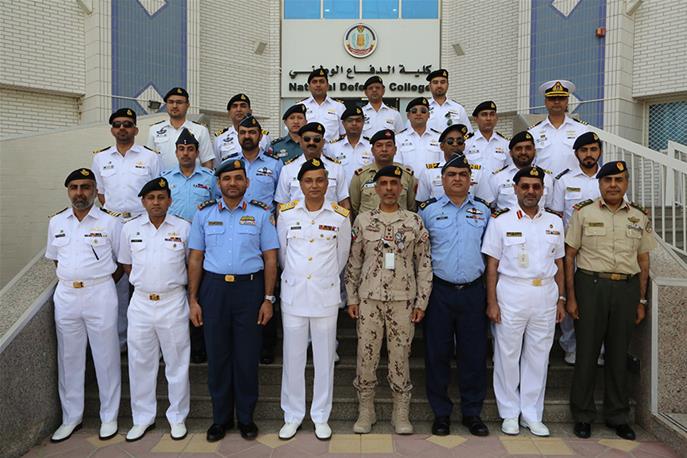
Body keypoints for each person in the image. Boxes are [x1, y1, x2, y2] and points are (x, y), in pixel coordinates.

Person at [187, 159, 279, 442]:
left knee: (247, 356)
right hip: (213, 290)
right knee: (217, 356)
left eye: (238, 178)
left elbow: (270, 258)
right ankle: (220, 419)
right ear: (219, 184)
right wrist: (193, 299)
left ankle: (247, 418)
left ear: (247, 183)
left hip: (249, 291)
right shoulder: (203, 215)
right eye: (227, 179)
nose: (232, 183)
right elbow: (196, 258)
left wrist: (268, 299)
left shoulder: (261, 215)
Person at [564, 161, 656, 441]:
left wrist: (641, 299)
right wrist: (570, 296)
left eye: (618, 180)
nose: (613, 185)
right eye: (607, 180)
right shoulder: (583, 213)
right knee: (588, 353)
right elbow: (569, 256)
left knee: (618, 354)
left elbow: (643, 259)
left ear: (626, 183)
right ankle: (582, 415)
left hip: (626, 289)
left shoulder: (639, 217)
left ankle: (618, 415)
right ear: (600, 184)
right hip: (591, 286)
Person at [345, 165, 433, 435]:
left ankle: (400, 412)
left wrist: (421, 302)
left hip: (403, 300)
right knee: (366, 355)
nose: (389, 189)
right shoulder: (363, 221)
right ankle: (366, 411)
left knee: (400, 356)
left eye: (394, 184)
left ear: (402, 188)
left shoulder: (414, 221)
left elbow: (424, 264)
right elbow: (354, 262)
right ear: (376, 188)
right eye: (383, 184)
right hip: (369, 298)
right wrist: (351, 298)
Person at [481, 166, 566, 438]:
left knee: (538, 356)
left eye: (536, 187)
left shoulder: (554, 222)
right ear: (515, 189)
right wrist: (491, 302)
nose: (531, 191)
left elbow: (560, 263)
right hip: (512, 293)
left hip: (545, 294)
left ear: (543, 190)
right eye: (525, 186)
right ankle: (509, 413)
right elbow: (491, 265)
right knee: (507, 355)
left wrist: (561, 299)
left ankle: (531, 413)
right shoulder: (500, 221)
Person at [276, 159, 352, 441]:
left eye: (320, 180)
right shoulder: (286, 214)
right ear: (299, 184)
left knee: (324, 360)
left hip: (325, 296)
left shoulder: (339, 215)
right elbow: (283, 255)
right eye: (309, 181)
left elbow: (341, 256)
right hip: (294, 295)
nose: (314, 186)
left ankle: (321, 416)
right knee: (292, 359)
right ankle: (293, 415)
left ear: (327, 184)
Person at [46, 168, 122, 443]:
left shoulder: (111, 223)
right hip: (66, 295)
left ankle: (109, 416)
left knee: (106, 356)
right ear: (68, 191)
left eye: (86, 187)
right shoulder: (57, 222)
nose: (80, 193)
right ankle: (71, 417)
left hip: (100, 292)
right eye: (75, 187)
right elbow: (56, 259)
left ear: (95, 191)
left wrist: (97, 283)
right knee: (69, 358)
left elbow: (120, 263)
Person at [419, 154, 491, 437]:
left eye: (463, 174)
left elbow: (491, 253)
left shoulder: (484, 212)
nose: (458, 179)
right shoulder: (428, 212)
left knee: (473, 354)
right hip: (439, 291)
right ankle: (441, 413)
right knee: (437, 354)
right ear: (443, 180)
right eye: (452, 175)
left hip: (473, 291)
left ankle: (472, 413)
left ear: (470, 180)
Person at [118, 177, 191, 442]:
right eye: (151, 198)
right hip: (140, 303)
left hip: (173, 301)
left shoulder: (183, 228)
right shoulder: (129, 229)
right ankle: (143, 418)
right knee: (140, 364)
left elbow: (189, 265)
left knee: (177, 363)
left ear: (169, 200)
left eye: (161, 197)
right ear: (143, 202)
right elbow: (126, 266)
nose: (156, 202)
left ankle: (178, 417)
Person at [92, 108, 161, 350]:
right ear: (112, 129)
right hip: (112, 224)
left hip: (142, 222)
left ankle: (150, 341)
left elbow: (157, 191)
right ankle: (121, 340)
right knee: (117, 281)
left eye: (128, 124)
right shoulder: (101, 158)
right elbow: (100, 193)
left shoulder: (150, 157)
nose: (123, 128)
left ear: (136, 129)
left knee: (147, 276)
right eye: (118, 124)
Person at [162, 128, 215, 364]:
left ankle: (199, 345)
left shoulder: (209, 178)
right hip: (172, 243)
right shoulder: (165, 178)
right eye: (181, 149)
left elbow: (217, 207)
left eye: (190, 149)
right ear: (175, 152)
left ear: (197, 152)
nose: (185, 153)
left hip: (202, 245)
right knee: (173, 292)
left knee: (199, 295)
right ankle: (170, 344)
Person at [550, 131, 603, 366]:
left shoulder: (609, 177)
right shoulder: (564, 180)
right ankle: (570, 345)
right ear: (577, 154)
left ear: (599, 151)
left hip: (601, 249)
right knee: (569, 294)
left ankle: (599, 349)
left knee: (598, 300)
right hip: (572, 248)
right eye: (584, 150)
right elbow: (557, 215)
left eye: (593, 149)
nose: (589, 154)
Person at [275, 122, 349, 209]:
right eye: (307, 139)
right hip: (297, 221)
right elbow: (281, 204)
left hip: (329, 221)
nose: (311, 142)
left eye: (316, 139)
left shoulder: (336, 168)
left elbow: (344, 202)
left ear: (323, 142)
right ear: (300, 142)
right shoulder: (287, 169)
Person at [476, 131, 554, 210]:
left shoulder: (546, 178)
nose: (523, 152)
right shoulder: (497, 178)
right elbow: (490, 207)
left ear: (534, 151)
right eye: (518, 149)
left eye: (528, 148)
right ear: (510, 153)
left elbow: (547, 206)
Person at [217, 115, 283, 209]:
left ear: (260, 136)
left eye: (252, 132)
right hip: (233, 219)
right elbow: (217, 194)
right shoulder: (227, 162)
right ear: (238, 136)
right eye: (243, 133)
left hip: (264, 221)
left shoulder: (275, 164)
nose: (247, 136)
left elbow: (281, 199)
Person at [348, 129, 416, 219]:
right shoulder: (360, 176)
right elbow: (354, 207)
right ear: (372, 150)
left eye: (388, 145)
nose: (384, 149)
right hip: (369, 228)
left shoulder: (407, 175)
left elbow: (411, 207)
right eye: (379, 146)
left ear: (395, 150)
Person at [529, 80, 590, 176]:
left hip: (573, 184)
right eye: (552, 98)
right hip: (544, 185)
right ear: (545, 102)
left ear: (567, 101)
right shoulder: (534, 132)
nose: (556, 102)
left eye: (561, 98)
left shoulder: (581, 129)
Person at [147, 87, 214, 170]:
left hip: (192, 181)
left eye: (179, 102)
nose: (174, 106)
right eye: (171, 102)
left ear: (188, 105)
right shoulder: (155, 129)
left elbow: (207, 162)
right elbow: (150, 161)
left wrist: (205, 182)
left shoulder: (200, 130)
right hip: (162, 181)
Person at [415, 124, 480, 203]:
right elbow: (422, 202)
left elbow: (485, 203)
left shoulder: (478, 171)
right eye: (450, 141)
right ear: (442, 146)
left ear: (464, 146)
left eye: (459, 141)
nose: (455, 144)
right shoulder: (428, 172)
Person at [213, 93, 271, 164]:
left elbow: (269, 161)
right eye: (235, 106)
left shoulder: (264, 136)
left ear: (250, 111)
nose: (239, 109)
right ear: (229, 113)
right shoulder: (220, 138)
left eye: (243, 106)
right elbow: (217, 166)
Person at [325, 105, 373, 185]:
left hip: (366, 195)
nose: (354, 124)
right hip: (341, 195)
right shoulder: (332, 147)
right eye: (350, 121)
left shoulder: (372, 146)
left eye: (358, 120)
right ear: (343, 123)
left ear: (363, 122)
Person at [396, 97, 443, 175]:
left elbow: (443, 164)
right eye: (414, 111)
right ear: (408, 115)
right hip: (408, 184)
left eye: (423, 111)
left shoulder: (439, 138)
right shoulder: (398, 138)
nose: (418, 114)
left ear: (429, 115)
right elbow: (397, 165)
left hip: (433, 184)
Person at [300, 68, 346, 142]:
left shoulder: (339, 107)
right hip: (308, 149)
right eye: (314, 82)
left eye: (321, 81)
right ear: (308, 87)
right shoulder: (300, 106)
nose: (318, 85)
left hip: (332, 151)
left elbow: (344, 133)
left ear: (327, 86)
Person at [464, 101, 511, 173]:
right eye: (484, 115)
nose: (488, 118)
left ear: (496, 118)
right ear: (476, 119)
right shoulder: (466, 143)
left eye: (492, 114)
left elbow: (509, 170)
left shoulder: (505, 143)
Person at [425, 69, 472, 134]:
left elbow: (468, 134)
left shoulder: (458, 108)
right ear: (429, 86)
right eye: (435, 82)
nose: (439, 85)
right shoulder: (423, 108)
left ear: (447, 85)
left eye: (443, 82)